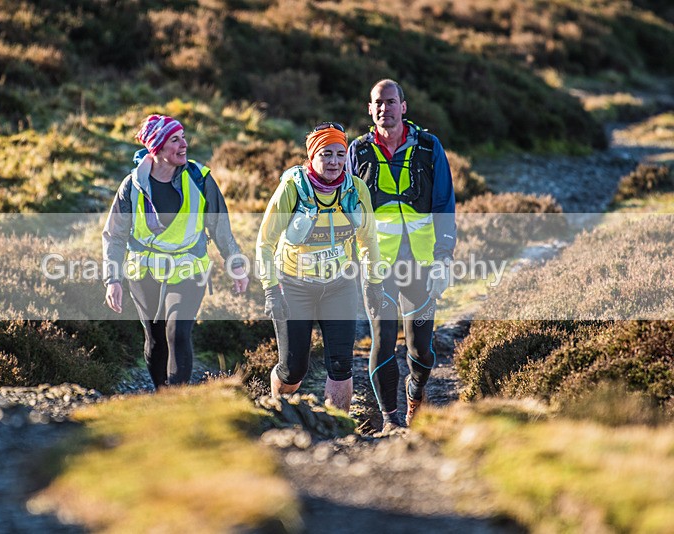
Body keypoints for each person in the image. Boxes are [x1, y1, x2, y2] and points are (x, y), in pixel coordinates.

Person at [102, 114, 249, 389]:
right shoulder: (131, 186)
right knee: (155, 338)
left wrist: (236, 264)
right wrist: (112, 279)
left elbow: (220, 227)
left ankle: (177, 399)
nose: (184, 145)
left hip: (189, 269)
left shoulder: (200, 179)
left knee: (177, 332)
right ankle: (162, 394)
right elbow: (115, 235)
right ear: (155, 148)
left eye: (183, 137)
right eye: (175, 140)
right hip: (144, 271)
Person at [347, 79, 456, 431]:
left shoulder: (428, 146)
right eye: (378, 102)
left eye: (391, 102)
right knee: (382, 336)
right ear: (370, 108)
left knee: (421, 348)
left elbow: (443, 205)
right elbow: (348, 210)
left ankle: (416, 391)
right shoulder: (358, 151)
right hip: (377, 264)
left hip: (422, 262)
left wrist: (444, 259)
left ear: (403, 107)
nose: (385, 108)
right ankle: (390, 420)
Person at [256, 122, 383, 413]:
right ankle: (280, 411)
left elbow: (368, 239)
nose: (334, 161)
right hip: (293, 286)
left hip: (339, 286)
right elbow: (265, 242)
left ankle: (338, 428)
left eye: (340, 154)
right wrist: (271, 290)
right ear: (312, 156)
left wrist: (374, 283)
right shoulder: (293, 188)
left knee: (341, 366)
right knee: (293, 370)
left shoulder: (356, 189)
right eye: (326, 154)